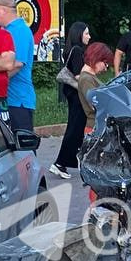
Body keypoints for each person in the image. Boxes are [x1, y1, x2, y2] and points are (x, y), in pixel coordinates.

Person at [0, 0, 37, 132]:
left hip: (19, 99)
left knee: (22, 145)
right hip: (8, 98)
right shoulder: (7, 31)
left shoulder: (19, 30)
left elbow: (17, 64)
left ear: (4, 10)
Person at [51, 21, 90, 178]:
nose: (89, 36)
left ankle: (79, 160)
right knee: (75, 128)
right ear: (79, 34)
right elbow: (79, 76)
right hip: (76, 93)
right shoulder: (78, 51)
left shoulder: (71, 50)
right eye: (86, 33)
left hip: (72, 93)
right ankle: (60, 162)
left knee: (77, 128)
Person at [76, 41, 112, 123]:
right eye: (105, 64)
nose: (105, 69)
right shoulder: (86, 79)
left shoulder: (90, 77)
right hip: (96, 127)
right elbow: (95, 105)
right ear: (97, 58)